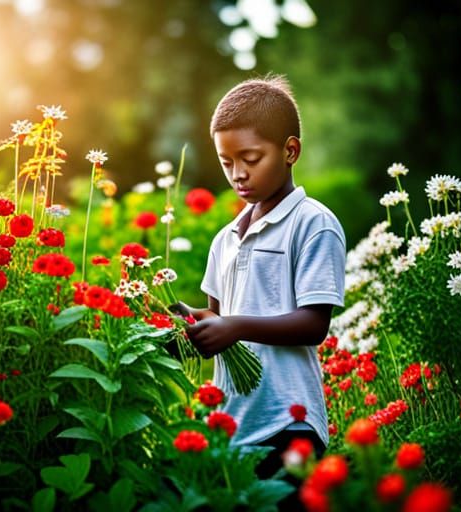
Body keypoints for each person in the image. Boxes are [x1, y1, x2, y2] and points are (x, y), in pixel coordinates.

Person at [186, 75, 346, 490]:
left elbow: (314, 324)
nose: (238, 174)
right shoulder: (225, 239)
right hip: (233, 427)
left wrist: (235, 326)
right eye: (226, 162)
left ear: (290, 150)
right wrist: (191, 325)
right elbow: (219, 316)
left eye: (251, 159)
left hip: (289, 422)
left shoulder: (313, 223)